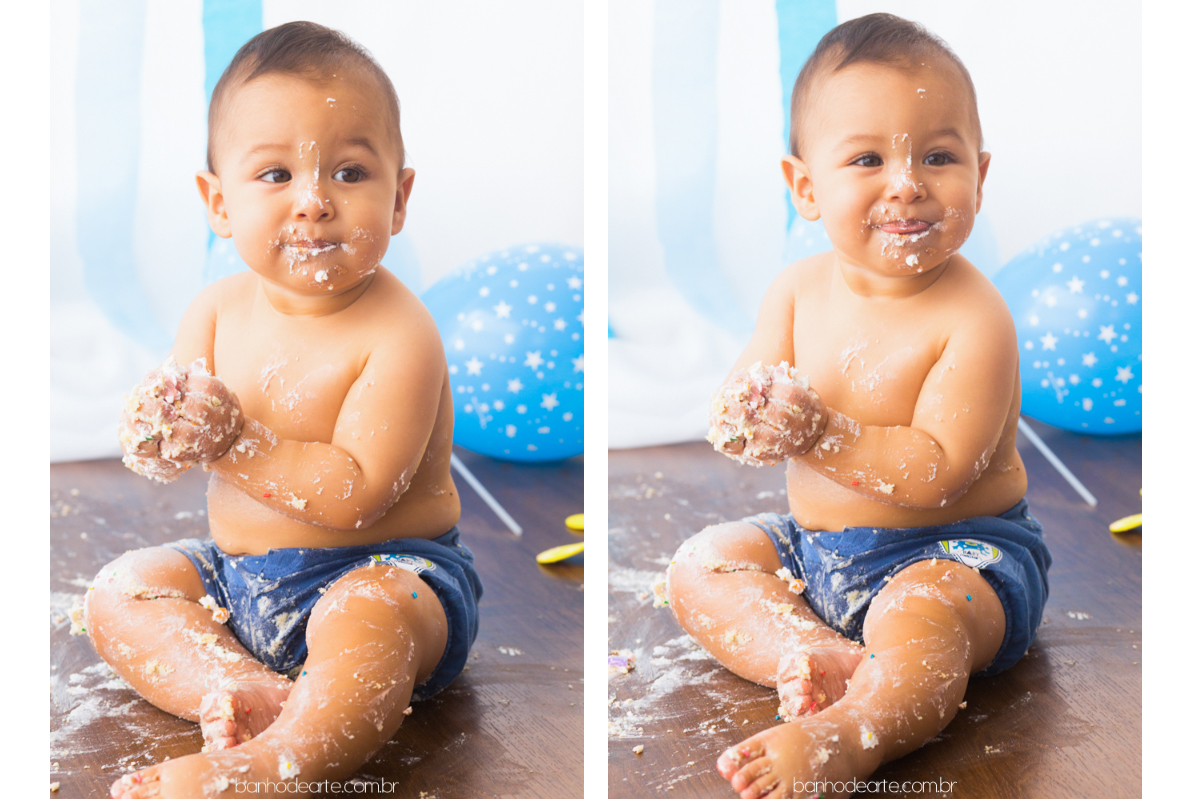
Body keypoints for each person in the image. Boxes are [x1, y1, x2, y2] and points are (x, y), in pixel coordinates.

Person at [77, 21, 482, 798]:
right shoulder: (215, 311)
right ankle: (241, 686)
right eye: (274, 174)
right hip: (238, 578)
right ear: (218, 202)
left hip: (383, 568)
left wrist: (230, 442)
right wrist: (161, 431)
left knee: (371, 616)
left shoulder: (401, 333)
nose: (314, 202)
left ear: (399, 199)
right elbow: (180, 425)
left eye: (350, 172)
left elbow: (360, 492)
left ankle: (276, 761)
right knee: (123, 589)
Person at [665, 14, 1050, 799]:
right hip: (817, 550)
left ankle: (853, 733)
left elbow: (938, 473)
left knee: (922, 620)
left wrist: (820, 434)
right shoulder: (796, 292)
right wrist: (747, 415)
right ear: (807, 187)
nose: (906, 183)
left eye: (938, 157)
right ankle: (815, 655)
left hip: (954, 551)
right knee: (701, 566)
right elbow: (739, 403)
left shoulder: (974, 317)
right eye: (868, 159)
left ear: (980, 175)